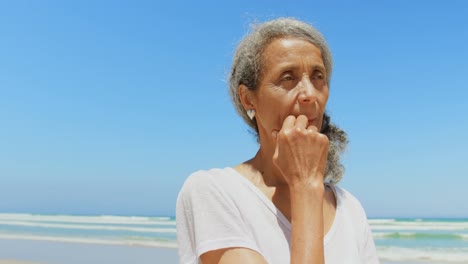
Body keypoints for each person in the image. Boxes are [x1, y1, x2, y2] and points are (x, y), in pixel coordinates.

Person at [176, 17, 379, 264]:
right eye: (288, 77)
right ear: (248, 99)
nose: (309, 94)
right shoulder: (213, 191)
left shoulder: (349, 208)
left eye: (317, 77)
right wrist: (305, 184)